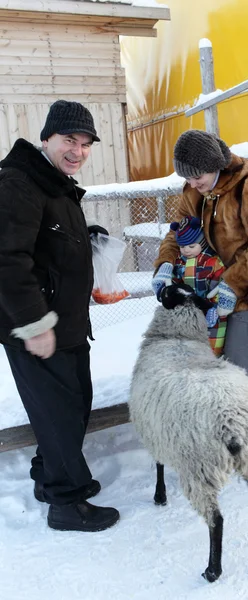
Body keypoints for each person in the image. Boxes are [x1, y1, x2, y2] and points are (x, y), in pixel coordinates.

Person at [0, 100, 119, 531]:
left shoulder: (52, 182)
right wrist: (34, 324)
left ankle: (48, 476)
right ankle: (66, 503)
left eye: (86, 143)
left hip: (65, 324)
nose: (79, 151)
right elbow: (8, 260)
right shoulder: (18, 184)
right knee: (60, 412)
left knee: (70, 407)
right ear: (47, 138)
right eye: (70, 140)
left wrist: (85, 240)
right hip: (39, 328)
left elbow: (45, 240)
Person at [152, 129, 248, 391]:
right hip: (203, 291)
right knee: (204, 361)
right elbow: (177, 234)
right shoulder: (193, 191)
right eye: (187, 177)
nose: (193, 184)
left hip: (244, 292)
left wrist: (233, 283)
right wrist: (165, 264)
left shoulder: (246, 188)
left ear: (214, 166)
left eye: (197, 176)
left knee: (237, 358)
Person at [169, 215, 227, 356]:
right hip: (188, 313)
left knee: (213, 344)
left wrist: (215, 306)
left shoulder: (213, 262)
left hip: (212, 312)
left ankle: (215, 363)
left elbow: (220, 285)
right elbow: (175, 283)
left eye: (191, 246)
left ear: (202, 242)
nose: (186, 250)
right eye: (182, 246)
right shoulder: (179, 262)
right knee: (191, 346)